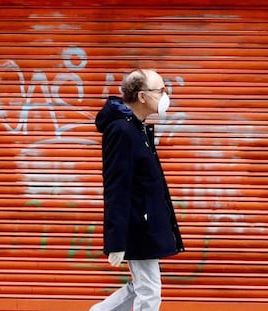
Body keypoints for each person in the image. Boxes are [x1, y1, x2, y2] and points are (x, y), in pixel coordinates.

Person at [91, 69, 184, 311]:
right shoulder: (122, 131)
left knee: (143, 285)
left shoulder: (137, 127)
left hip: (146, 223)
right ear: (142, 97)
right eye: (160, 90)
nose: (166, 96)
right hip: (137, 225)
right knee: (149, 291)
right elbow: (116, 186)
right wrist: (116, 240)